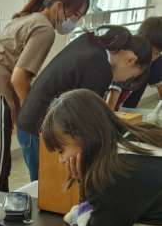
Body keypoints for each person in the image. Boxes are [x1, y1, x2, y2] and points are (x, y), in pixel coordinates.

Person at [0, 0, 90, 191]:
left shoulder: (28, 18)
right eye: (76, 14)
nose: (76, 21)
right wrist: (30, 118)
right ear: (59, 6)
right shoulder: (44, 29)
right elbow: (19, 78)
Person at [18, 25, 152, 181]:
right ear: (131, 60)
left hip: (32, 121)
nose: (126, 80)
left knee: (44, 183)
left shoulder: (93, 44)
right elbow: (87, 121)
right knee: (45, 184)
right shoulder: (99, 66)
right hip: (38, 128)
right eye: (131, 77)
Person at [39, 89, 162, 226]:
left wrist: (84, 184)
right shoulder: (140, 133)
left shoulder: (114, 173)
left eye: (61, 150)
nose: (61, 160)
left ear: (84, 136)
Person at [107, 16, 162, 112]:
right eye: (156, 52)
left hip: (129, 113)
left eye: (159, 53)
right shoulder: (120, 59)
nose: (156, 56)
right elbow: (108, 107)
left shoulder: (155, 60)